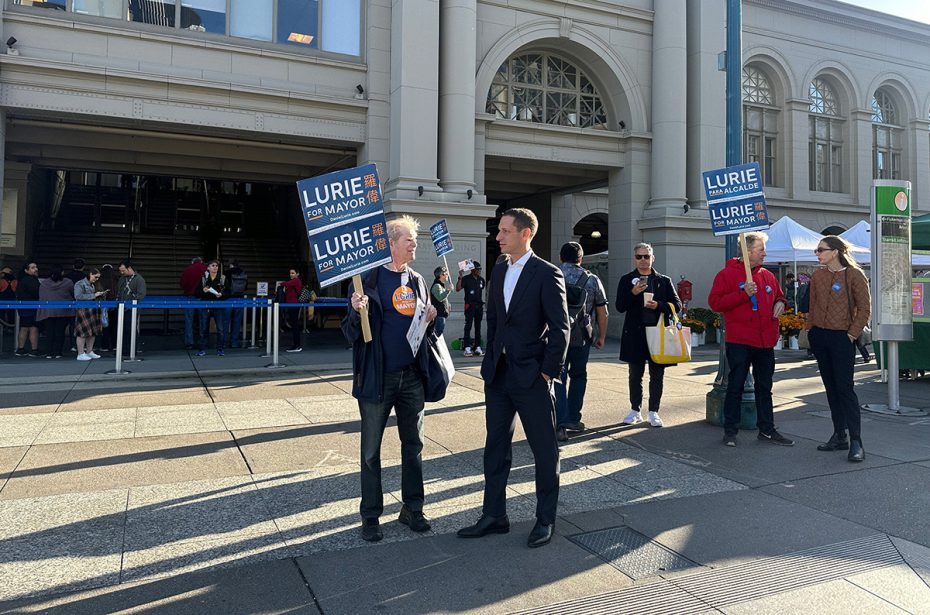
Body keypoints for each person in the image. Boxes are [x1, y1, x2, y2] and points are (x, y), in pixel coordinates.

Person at [457, 208, 569, 549]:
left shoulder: (546, 274)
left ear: (525, 234)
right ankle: (494, 516)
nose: (498, 236)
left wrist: (547, 371)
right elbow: (495, 321)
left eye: (504, 231)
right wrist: (489, 360)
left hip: (532, 376)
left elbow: (562, 328)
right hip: (499, 375)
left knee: (544, 451)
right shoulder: (500, 267)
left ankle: (545, 519)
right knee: (495, 449)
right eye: (499, 230)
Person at [342, 215, 437, 542]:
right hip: (376, 379)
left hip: (412, 378)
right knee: (371, 451)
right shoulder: (366, 282)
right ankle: (370, 515)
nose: (414, 244)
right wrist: (356, 311)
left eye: (414, 239)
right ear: (391, 243)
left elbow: (427, 331)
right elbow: (349, 334)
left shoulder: (418, 280)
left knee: (414, 445)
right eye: (409, 239)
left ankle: (413, 508)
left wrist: (432, 317)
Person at [708, 232, 793, 447]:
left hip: (765, 341)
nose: (765, 253)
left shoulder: (768, 275)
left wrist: (781, 303)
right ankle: (730, 431)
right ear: (747, 252)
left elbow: (780, 296)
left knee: (765, 387)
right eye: (761, 249)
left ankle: (767, 429)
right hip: (740, 341)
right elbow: (715, 303)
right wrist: (742, 294)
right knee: (735, 386)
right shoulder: (726, 274)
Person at [807, 236, 871, 462]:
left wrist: (852, 334)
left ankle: (856, 441)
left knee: (845, 388)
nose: (817, 254)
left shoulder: (854, 274)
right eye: (817, 251)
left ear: (834, 252)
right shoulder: (818, 275)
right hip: (820, 336)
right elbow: (812, 305)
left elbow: (864, 308)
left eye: (820, 250)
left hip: (842, 338)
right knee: (831, 388)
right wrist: (810, 330)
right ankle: (839, 435)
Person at [617, 243, 682, 428]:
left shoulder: (663, 280)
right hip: (635, 333)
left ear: (653, 258)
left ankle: (654, 411)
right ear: (634, 258)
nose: (643, 260)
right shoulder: (627, 279)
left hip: (658, 332)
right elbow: (619, 306)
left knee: (657, 374)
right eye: (639, 257)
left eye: (646, 256)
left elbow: (676, 305)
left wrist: (659, 305)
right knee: (634, 374)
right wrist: (633, 293)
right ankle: (635, 409)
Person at [554, 242, 608, 442]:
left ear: (561, 257)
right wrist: (601, 336)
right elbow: (602, 311)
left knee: (558, 376)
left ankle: (558, 423)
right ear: (580, 259)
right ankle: (573, 418)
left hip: (556, 335)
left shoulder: (552, 274)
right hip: (581, 336)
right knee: (579, 375)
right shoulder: (592, 279)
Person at [36, 264, 75, 359]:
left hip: (48, 311)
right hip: (63, 311)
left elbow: (41, 296)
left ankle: (49, 352)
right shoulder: (68, 282)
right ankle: (58, 352)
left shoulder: (44, 283)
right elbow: (73, 294)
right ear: (62, 272)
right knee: (60, 332)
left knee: (49, 332)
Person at [196, 260, 228, 357]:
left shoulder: (222, 278)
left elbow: (229, 291)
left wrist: (222, 295)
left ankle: (220, 349)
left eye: (217, 266)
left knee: (220, 329)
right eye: (213, 265)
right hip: (205, 305)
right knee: (203, 328)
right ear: (208, 268)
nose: (215, 267)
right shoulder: (203, 279)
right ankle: (202, 349)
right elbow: (196, 292)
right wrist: (203, 291)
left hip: (218, 305)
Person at [73, 268, 106, 360]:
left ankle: (89, 351)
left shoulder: (94, 284)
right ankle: (80, 353)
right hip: (83, 310)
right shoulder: (80, 284)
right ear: (90, 274)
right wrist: (94, 295)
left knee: (93, 332)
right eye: (95, 277)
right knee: (82, 332)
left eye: (98, 277)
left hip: (94, 310)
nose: (97, 279)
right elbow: (78, 296)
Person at [117, 259, 147, 355]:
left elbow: (141, 295)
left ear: (129, 268)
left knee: (130, 329)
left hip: (132, 309)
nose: (122, 272)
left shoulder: (139, 279)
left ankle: (132, 350)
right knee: (122, 330)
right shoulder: (122, 279)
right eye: (120, 271)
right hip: (121, 308)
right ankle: (123, 349)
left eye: (123, 270)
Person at [456, 260, 485, 357]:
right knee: (468, 326)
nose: (479, 270)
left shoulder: (481, 280)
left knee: (478, 326)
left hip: (479, 306)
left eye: (480, 269)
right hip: (469, 305)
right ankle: (467, 347)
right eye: (477, 269)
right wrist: (460, 277)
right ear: (472, 270)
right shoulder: (466, 279)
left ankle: (477, 347)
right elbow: (458, 289)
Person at [180, 256, 208, 349]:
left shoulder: (188, 269)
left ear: (192, 262)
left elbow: (183, 284)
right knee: (203, 319)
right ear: (201, 261)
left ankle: (189, 342)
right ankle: (202, 340)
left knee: (189, 320)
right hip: (203, 297)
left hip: (190, 297)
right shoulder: (206, 269)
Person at [14, 261, 41, 357]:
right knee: (33, 327)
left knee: (24, 327)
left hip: (24, 307)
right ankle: (34, 349)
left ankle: (21, 349)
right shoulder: (31, 281)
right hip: (31, 307)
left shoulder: (23, 280)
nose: (36, 269)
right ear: (26, 270)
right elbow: (37, 293)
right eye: (33, 268)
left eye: (36, 267)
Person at [279, 268, 304, 352]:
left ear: (297, 274)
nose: (291, 275)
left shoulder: (296, 281)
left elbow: (284, 283)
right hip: (292, 304)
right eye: (290, 273)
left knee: (295, 325)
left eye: (293, 273)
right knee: (294, 325)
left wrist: (280, 283)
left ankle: (296, 345)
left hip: (294, 305)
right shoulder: (294, 282)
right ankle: (296, 344)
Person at [225, 260, 248, 348]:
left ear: (231, 265)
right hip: (240, 298)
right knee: (237, 321)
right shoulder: (243, 273)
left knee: (226, 320)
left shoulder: (227, 273)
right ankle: (234, 341)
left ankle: (225, 340)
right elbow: (246, 287)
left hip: (228, 298)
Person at [430, 266, 452, 337]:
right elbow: (440, 298)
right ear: (440, 275)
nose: (447, 275)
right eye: (446, 274)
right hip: (438, 315)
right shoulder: (437, 286)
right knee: (437, 334)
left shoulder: (441, 285)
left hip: (441, 314)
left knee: (438, 333)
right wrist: (448, 290)